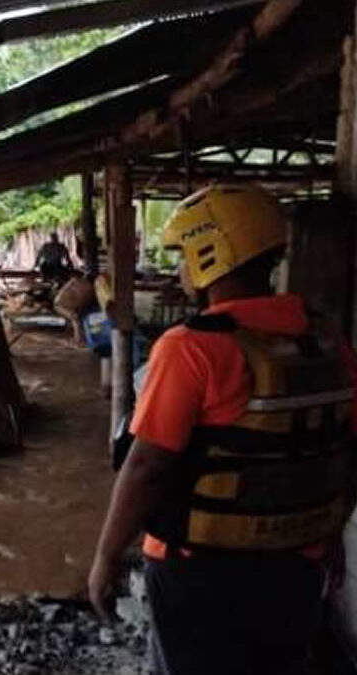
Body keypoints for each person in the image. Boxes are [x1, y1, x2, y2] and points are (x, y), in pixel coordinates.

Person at [87, 183, 357, 675]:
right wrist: (330, 531)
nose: (181, 269)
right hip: (296, 561)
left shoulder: (191, 348)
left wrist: (106, 556)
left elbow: (146, 465)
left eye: (186, 255)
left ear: (213, 252)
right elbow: (345, 451)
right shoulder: (329, 343)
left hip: (197, 569)